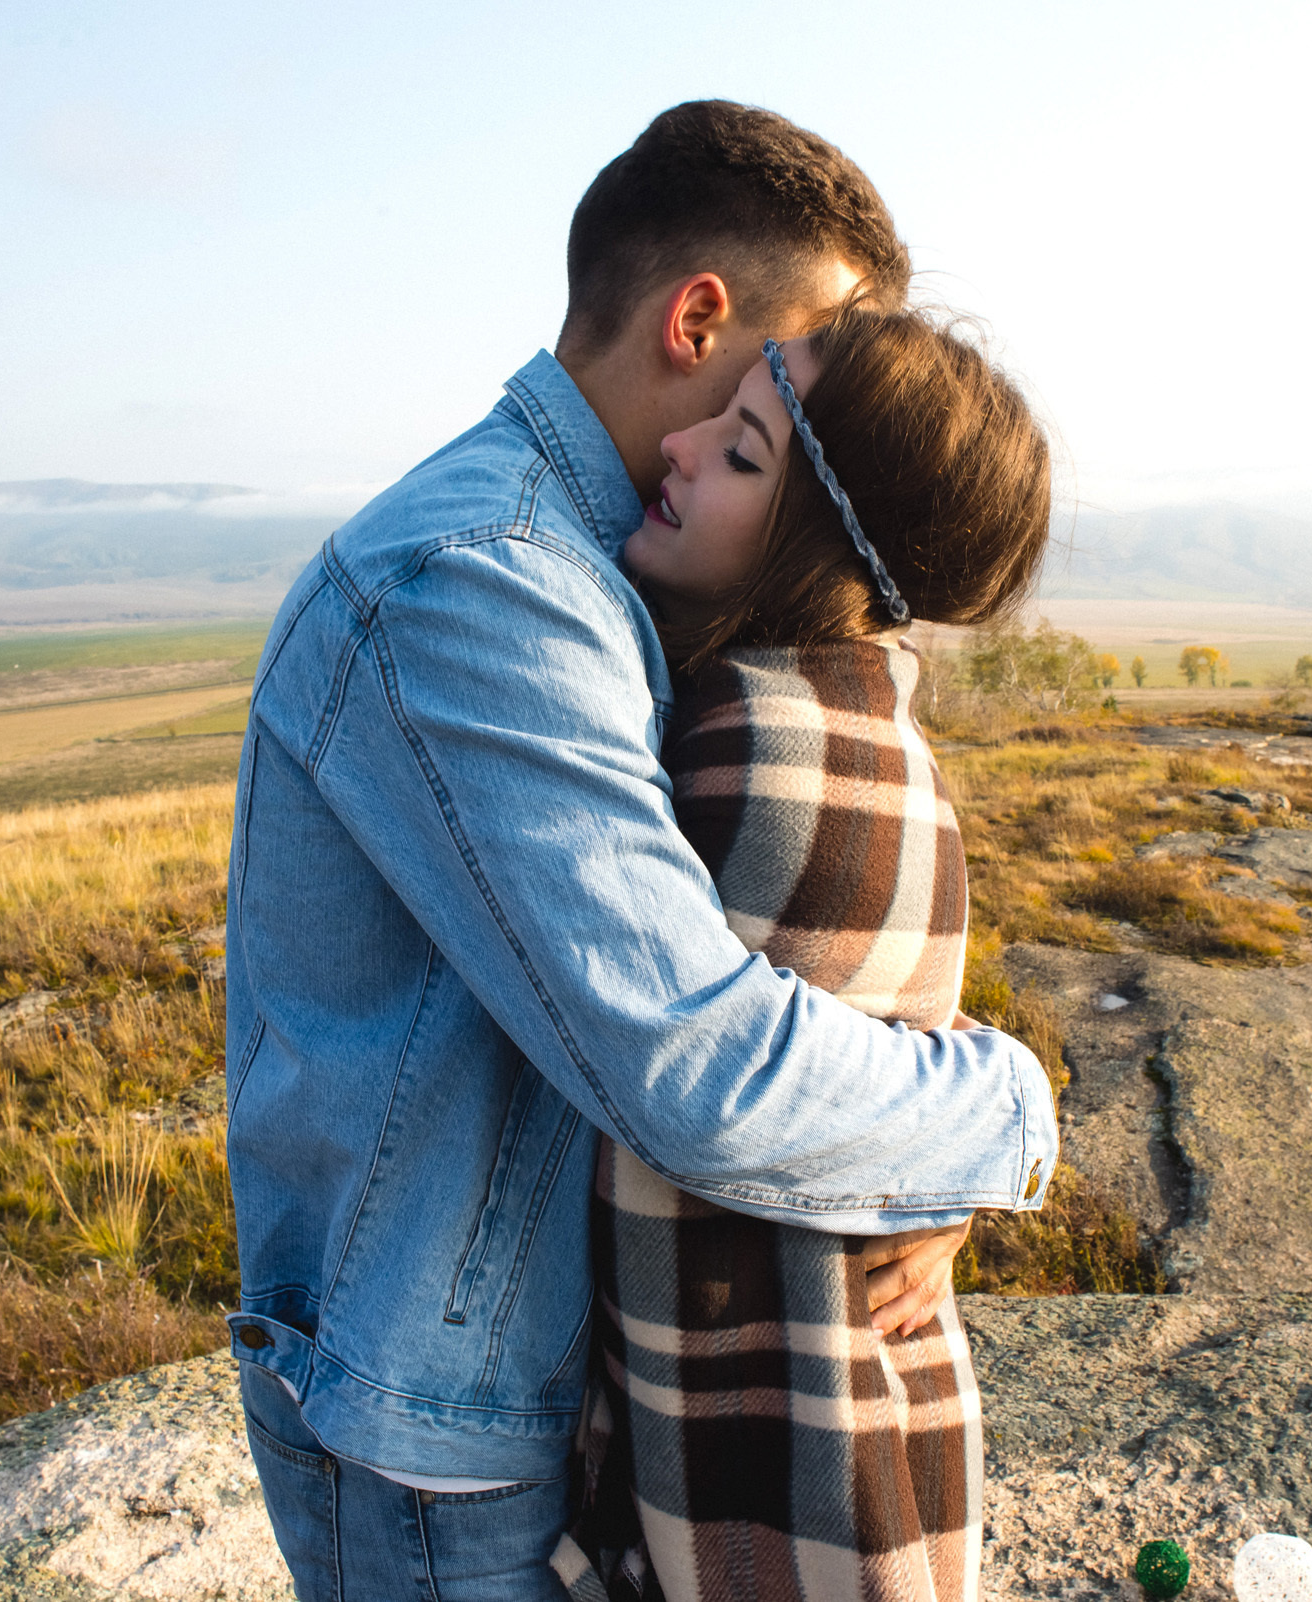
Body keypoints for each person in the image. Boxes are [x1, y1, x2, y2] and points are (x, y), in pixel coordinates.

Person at [223, 101, 1057, 1602]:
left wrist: (896, 1179)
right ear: (701, 322)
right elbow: (691, 1061)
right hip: (437, 1447)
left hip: (503, 1405)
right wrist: (998, 1117)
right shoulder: (484, 585)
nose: (836, 413)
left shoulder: (597, 575)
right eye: (807, 372)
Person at [553, 304, 1051, 1602]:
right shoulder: (885, 739)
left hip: (761, 1500)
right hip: (865, 1460)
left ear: (816, 540)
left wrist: (994, 1131)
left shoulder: (753, 758)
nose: (683, 441)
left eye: (744, 454)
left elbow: (687, 1109)